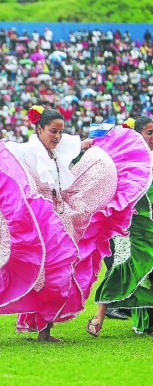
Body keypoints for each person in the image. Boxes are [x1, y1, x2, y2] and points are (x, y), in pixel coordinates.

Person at [0, 105, 151, 344]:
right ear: (39, 129)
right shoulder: (25, 149)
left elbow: (84, 144)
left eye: (60, 131)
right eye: (52, 131)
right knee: (11, 268)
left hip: (52, 220)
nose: (57, 136)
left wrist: (102, 140)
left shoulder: (59, 151)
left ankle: (44, 332)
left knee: (57, 274)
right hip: (26, 219)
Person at [89, 116, 153, 336]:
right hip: (131, 229)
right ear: (136, 135)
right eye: (149, 133)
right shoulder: (125, 162)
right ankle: (99, 317)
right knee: (122, 268)